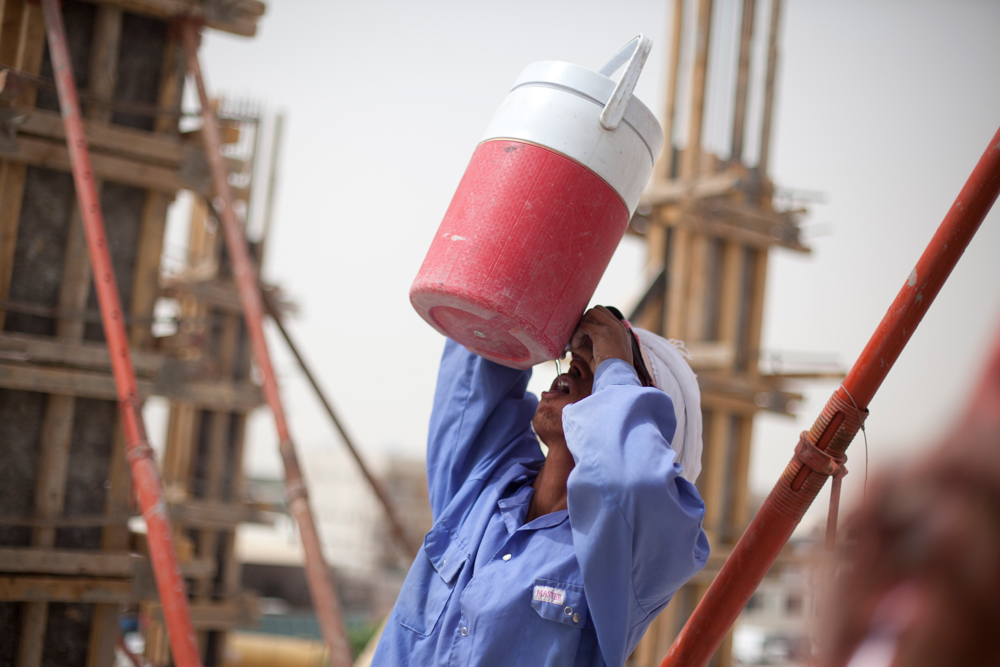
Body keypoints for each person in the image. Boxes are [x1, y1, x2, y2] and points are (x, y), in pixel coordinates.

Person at [372, 306, 709, 667]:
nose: (575, 367)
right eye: (576, 357)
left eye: (601, 369)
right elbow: (478, 346)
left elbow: (636, 478)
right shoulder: (485, 486)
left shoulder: (630, 557)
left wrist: (616, 364)